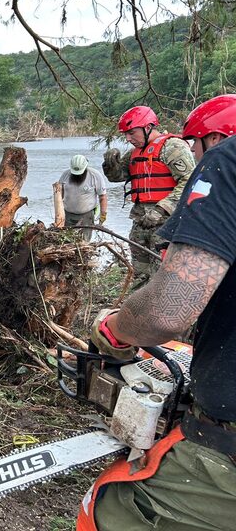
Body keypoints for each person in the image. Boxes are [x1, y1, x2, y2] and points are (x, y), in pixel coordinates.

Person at [79, 95, 236, 530]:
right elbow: (116, 174)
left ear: (217, 138)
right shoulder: (136, 151)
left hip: (227, 438)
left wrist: (118, 328)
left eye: (199, 145)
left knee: (103, 511)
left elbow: (168, 310)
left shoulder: (220, 158)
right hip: (155, 228)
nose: (129, 137)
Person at [102, 106, 195, 285]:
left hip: (167, 223)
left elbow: (189, 182)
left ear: (148, 127)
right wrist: (110, 164)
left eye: (131, 132)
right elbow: (118, 177)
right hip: (141, 222)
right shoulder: (135, 153)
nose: (128, 139)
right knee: (140, 273)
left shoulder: (172, 146)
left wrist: (161, 209)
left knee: (164, 274)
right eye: (125, 134)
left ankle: (165, 309)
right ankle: (139, 306)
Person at [58, 154, 108, 241]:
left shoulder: (95, 176)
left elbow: (102, 197)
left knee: (83, 242)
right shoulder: (65, 175)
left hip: (86, 216)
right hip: (68, 215)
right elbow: (58, 195)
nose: (77, 175)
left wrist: (103, 215)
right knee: (66, 240)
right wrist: (59, 214)